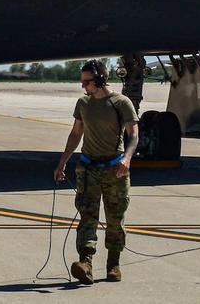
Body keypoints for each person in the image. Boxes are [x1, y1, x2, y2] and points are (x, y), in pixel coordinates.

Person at [54, 59, 139, 285]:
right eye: (82, 81)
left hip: (115, 169)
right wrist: (62, 162)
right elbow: (75, 134)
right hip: (88, 167)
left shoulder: (121, 103)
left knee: (115, 218)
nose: (83, 86)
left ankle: (114, 264)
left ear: (101, 79)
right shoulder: (83, 103)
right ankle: (86, 263)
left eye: (87, 82)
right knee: (87, 217)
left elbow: (134, 134)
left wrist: (128, 159)